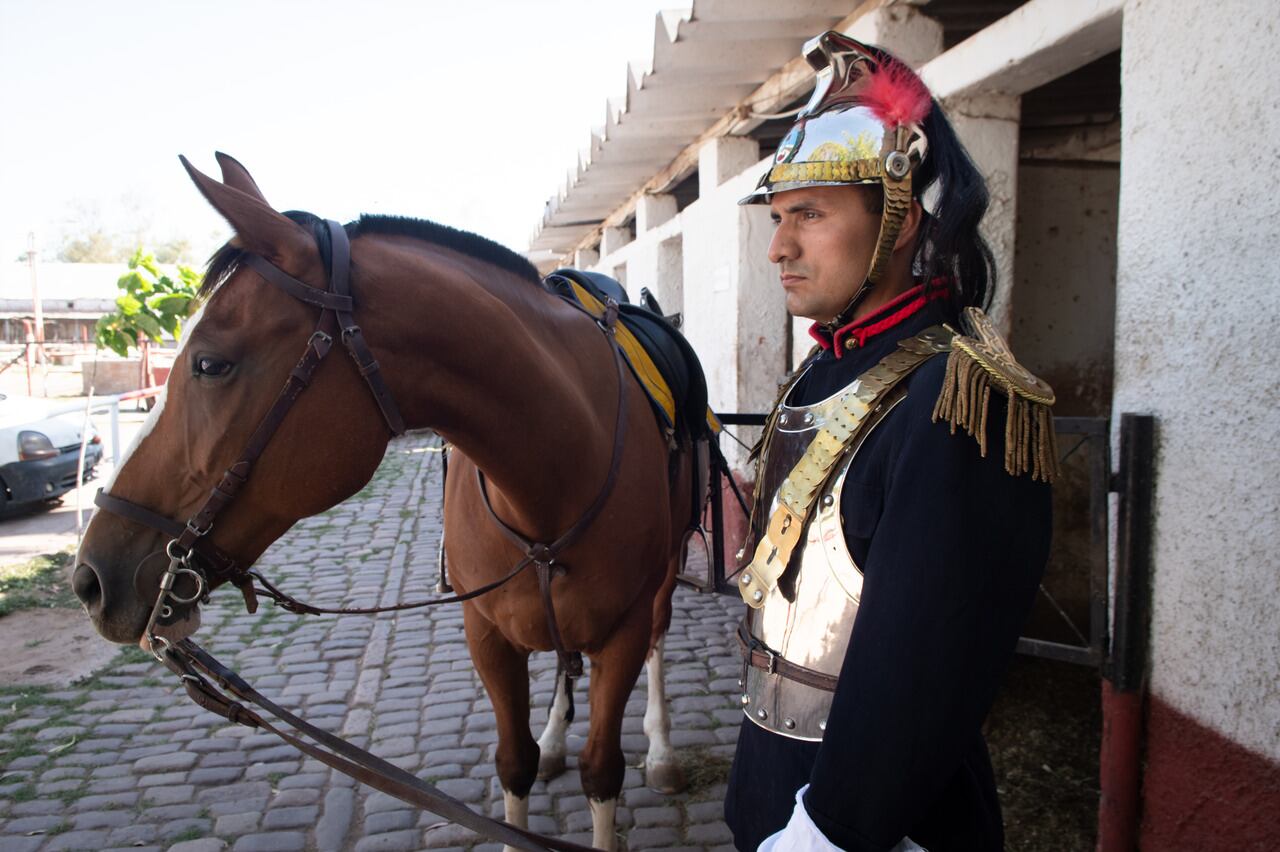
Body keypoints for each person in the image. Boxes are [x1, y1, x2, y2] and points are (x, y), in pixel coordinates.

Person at [723, 32, 1057, 852]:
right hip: (772, 776)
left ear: (899, 221)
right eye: (776, 216)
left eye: (809, 214)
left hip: (875, 819)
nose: (779, 246)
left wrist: (828, 831)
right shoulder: (822, 372)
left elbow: (924, 666)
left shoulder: (959, 396)